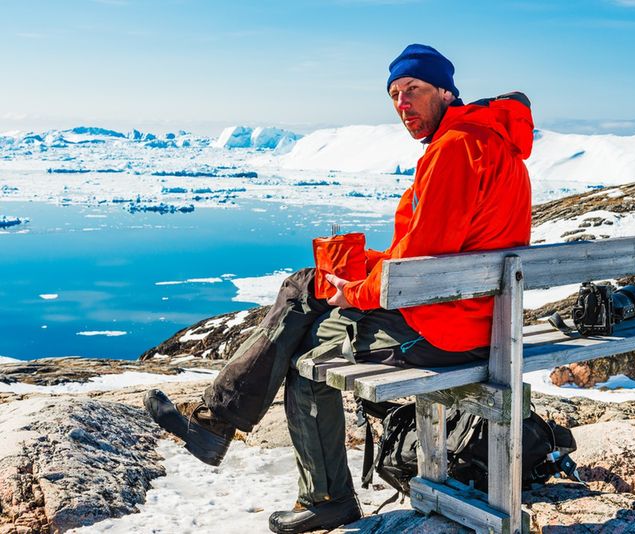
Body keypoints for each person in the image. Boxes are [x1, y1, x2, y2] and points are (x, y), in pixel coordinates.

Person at [144, 43, 533, 534]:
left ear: (446, 90)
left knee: (306, 350)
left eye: (413, 90)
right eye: (394, 95)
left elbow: (416, 270)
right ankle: (216, 420)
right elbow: (439, 253)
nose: (402, 104)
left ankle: (310, 486)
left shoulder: (454, 148)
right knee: (307, 287)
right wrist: (362, 268)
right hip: (474, 316)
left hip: (447, 332)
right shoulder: (498, 146)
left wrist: (356, 292)